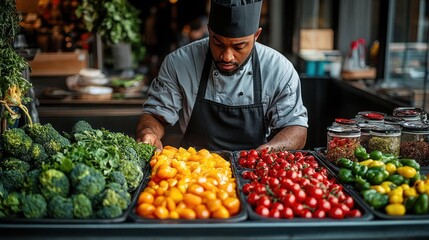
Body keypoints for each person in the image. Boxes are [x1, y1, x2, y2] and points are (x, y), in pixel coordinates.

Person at [136, 0, 308, 152]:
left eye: (239, 47)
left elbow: (296, 127)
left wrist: (269, 150)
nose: (227, 56)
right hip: (194, 171)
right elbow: (156, 114)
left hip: (252, 173)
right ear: (209, 31)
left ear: (256, 36)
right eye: (217, 43)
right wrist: (148, 133)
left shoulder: (278, 68)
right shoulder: (179, 63)